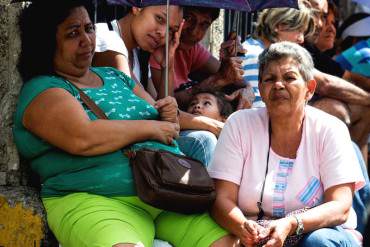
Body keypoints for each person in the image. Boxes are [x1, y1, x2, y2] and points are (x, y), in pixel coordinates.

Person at [14, 1, 237, 246]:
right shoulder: (44, 88)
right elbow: (83, 137)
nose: (87, 41)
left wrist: (169, 112)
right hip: (98, 202)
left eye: (89, 29)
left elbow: (164, 123)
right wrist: (152, 128)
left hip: (167, 194)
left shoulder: (115, 77)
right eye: (72, 33)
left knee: (227, 242)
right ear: (46, 41)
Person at [209, 42, 365, 246]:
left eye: (289, 78)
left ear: (309, 89)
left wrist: (291, 224)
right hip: (254, 234)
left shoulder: (330, 129)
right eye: (269, 79)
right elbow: (221, 199)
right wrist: (244, 229)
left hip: (319, 233)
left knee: (318, 242)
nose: (278, 85)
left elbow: (340, 206)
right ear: (261, 89)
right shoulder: (239, 124)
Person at [305, 0, 370, 165]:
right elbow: (326, 84)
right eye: (319, 17)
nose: (325, 26)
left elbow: (347, 77)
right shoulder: (297, 47)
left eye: (331, 22)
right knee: (336, 110)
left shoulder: (316, 53)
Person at [150, 6, 251, 110]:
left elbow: (237, 80)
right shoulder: (157, 47)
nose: (194, 31)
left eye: (204, 25)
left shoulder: (192, 49)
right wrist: (217, 80)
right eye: (188, 18)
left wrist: (247, 89)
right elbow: (165, 104)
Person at [241, 2, 314, 107]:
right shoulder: (255, 56)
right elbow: (257, 108)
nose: (301, 39)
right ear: (279, 26)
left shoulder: (263, 54)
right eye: (299, 30)